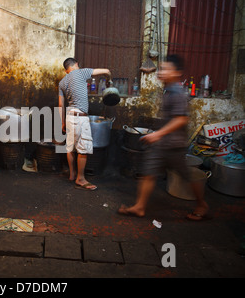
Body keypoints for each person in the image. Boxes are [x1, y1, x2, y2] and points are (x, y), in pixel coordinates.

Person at [118, 54, 209, 221]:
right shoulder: (167, 90)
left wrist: (157, 134)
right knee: (149, 173)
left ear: (177, 73)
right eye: (162, 68)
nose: (162, 72)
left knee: (186, 176)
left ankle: (202, 204)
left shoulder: (178, 93)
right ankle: (139, 207)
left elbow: (181, 119)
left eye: (166, 69)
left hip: (174, 146)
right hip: (162, 144)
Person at [58, 58, 111, 190]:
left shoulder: (62, 82)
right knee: (83, 149)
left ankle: (72, 174)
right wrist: (109, 80)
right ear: (76, 65)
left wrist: (62, 123)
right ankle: (80, 179)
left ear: (66, 70)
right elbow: (107, 71)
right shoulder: (81, 72)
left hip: (69, 116)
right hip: (80, 117)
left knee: (70, 148)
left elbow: (60, 105)